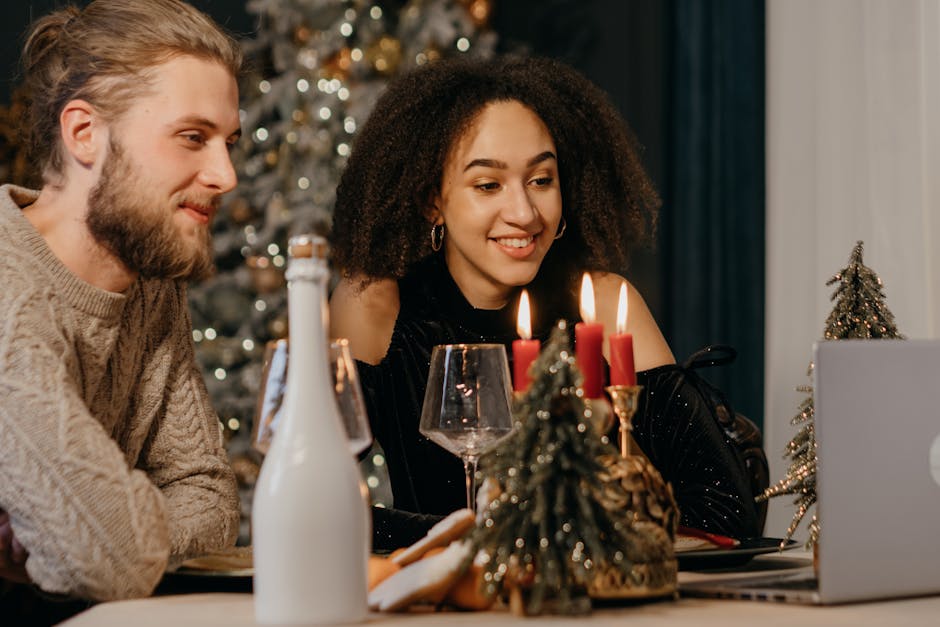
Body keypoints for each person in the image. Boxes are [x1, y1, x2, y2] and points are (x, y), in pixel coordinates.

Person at [330, 55, 760, 550]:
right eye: (488, 184)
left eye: (541, 180)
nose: (524, 212)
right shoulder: (376, 307)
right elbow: (321, 506)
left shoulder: (601, 302)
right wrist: (485, 537)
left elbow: (727, 514)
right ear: (433, 200)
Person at [0, 0, 243, 618]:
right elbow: (112, 556)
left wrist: (79, 534)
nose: (225, 174)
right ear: (85, 133)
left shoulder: (150, 280)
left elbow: (211, 500)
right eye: (193, 138)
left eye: (229, 143)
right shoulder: (8, 284)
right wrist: (101, 536)